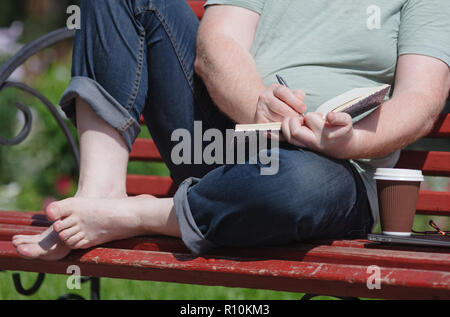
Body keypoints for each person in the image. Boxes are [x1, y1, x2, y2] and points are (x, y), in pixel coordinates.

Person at [12, 0, 450, 260]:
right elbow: (217, 45)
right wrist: (257, 104)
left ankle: (138, 215)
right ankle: (99, 197)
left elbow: (420, 100)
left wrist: (351, 140)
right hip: (224, 136)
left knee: (292, 185)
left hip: (331, 169)